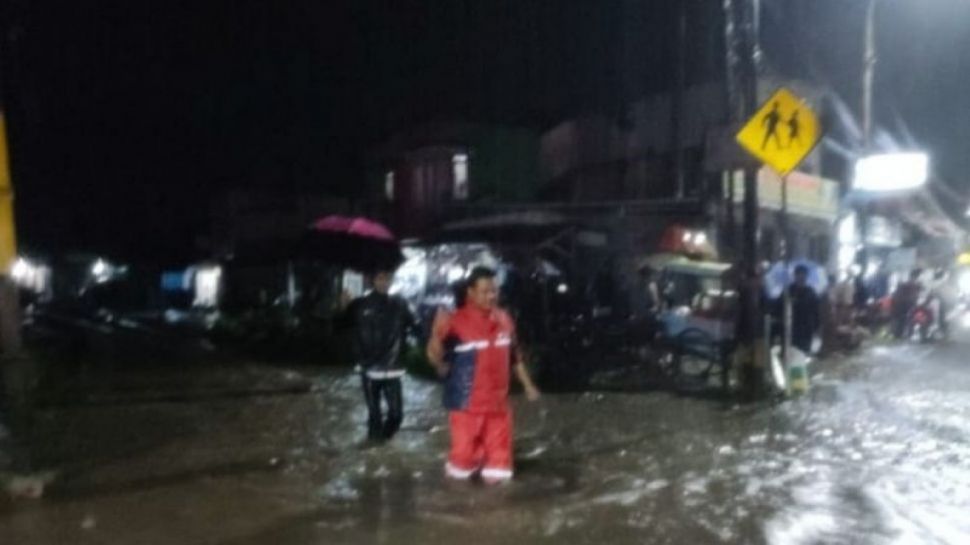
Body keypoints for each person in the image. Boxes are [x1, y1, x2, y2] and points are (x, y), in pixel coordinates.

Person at [426, 266, 541, 484]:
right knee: (462, 464)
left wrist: (527, 385)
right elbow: (434, 356)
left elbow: (514, 356)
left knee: (499, 470)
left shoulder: (504, 319)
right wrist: (435, 337)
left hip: (498, 406)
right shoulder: (454, 321)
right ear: (470, 292)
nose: (491, 296)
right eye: (485, 291)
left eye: (494, 291)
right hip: (466, 406)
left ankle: (495, 514)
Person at [347, 270, 416, 443]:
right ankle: (374, 445)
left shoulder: (399, 303)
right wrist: (343, 307)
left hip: (393, 368)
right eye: (380, 278)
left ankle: (382, 441)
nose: (384, 282)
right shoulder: (358, 304)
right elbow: (342, 327)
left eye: (387, 278)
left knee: (396, 414)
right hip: (369, 368)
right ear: (372, 280)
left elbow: (414, 325)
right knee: (374, 414)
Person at [785, 265, 821, 355]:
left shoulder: (811, 292)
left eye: (803, 275)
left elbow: (816, 310)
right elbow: (781, 307)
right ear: (795, 276)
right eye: (799, 274)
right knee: (791, 355)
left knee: (803, 354)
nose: (801, 277)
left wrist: (817, 327)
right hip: (791, 329)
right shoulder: (789, 290)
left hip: (806, 329)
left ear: (806, 276)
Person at [891, 269, 923, 339]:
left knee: (903, 319)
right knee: (908, 319)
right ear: (916, 276)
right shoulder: (913, 284)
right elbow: (914, 295)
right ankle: (906, 334)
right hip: (906, 304)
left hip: (902, 304)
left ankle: (899, 334)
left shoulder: (908, 283)